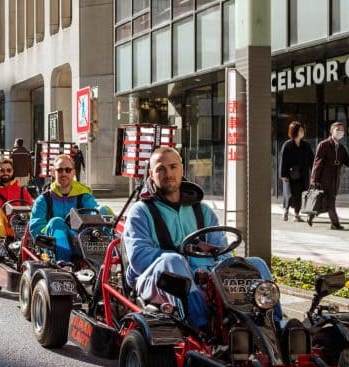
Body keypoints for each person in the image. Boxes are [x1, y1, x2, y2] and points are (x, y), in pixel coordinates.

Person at [123, 147, 280, 330]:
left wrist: (217, 271)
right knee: (173, 261)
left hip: (204, 277)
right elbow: (138, 259)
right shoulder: (141, 212)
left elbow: (222, 251)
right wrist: (188, 260)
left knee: (257, 263)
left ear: (182, 169)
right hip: (154, 279)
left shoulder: (203, 211)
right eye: (161, 169)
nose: (168, 174)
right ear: (151, 174)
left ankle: (274, 324)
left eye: (173, 167)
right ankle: (202, 327)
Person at [29, 154, 107, 261]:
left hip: (81, 244)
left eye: (68, 170)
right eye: (60, 170)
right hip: (54, 248)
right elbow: (36, 228)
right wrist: (55, 230)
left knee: (104, 211)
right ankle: (64, 264)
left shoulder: (84, 196)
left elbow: (95, 212)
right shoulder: (43, 200)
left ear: (74, 172)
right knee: (56, 222)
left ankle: (107, 261)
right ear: (53, 173)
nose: (64, 173)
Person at [308, 122, 349, 229]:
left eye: (342, 130)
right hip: (323, 179)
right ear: (331, 131)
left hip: (335, 179)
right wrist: (314, 179)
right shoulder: (323, 145)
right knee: (327, 201)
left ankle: (311, 214)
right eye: (337, 129)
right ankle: (335, 223)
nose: (340, 132)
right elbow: (317, 163)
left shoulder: (341, 148)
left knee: (326, 201)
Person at [279, 121, 313, 222]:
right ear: (294, 132)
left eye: (303, 130)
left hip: (302, 174)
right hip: (289, 175)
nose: (302, 132)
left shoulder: (306, 145)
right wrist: (283, 175)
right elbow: (283, 160)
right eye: (300, 130)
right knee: (289, 194)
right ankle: (285, 210)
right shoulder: (287, 144)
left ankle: (296, 214)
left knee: (300, 194)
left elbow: (312, 159)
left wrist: (314, 172)